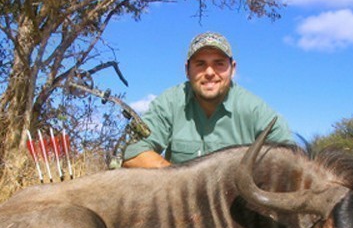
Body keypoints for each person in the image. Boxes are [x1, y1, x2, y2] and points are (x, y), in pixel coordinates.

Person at [122, 31, 293, 168]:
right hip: (180, 201)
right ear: (187, 70)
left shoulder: (255, 110)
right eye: (200, 64)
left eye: (219, 63)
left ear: (232, 69)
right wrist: (184, 183)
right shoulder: (170, 103)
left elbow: (292, 160)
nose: (210, 72)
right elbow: (132, 152)